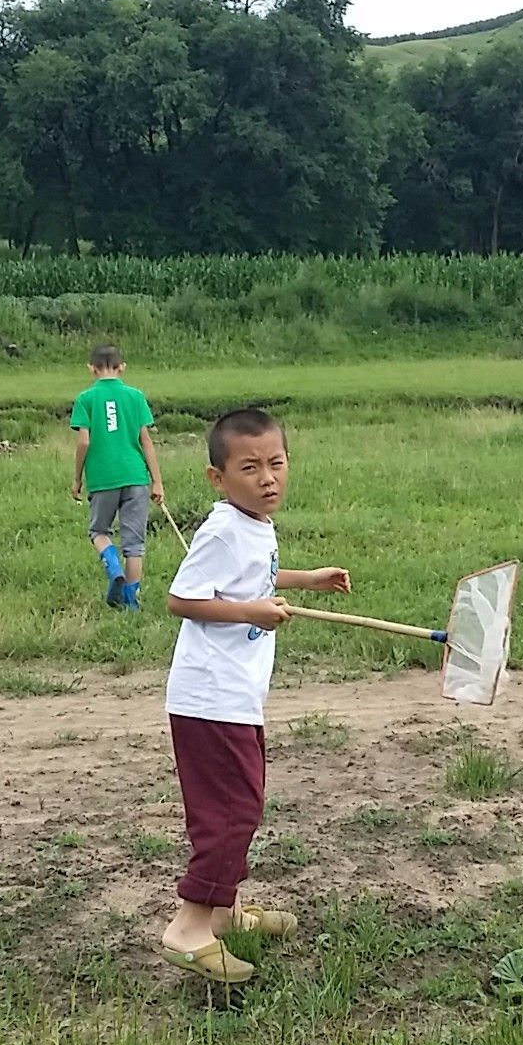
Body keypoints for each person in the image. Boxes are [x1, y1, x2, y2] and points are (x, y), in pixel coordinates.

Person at [159, 408, 350, 983]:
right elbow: (182, 599)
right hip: (210, 699)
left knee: (240, 803)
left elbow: (254, 574)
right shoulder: (220, 527)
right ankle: (189, 927)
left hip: (233, 696)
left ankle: (226, 913)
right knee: (233, 810)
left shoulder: (254, 525)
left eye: (277, 463)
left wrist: (304, 578)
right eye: (250, 467)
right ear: (218, 478)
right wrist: (252, 613)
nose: (268, 478)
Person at [70, 344, 165, 610]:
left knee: (99, 531)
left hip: (103, 478)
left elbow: (84, 443)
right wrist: (156, 481)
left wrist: (77, 478)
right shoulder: (135, 396)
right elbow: (145, 441)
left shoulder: (85, 399)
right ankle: (131, 603)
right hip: (136, 475)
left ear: (91, 368)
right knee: (135, 543)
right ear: (122, 367)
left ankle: (113, 568)